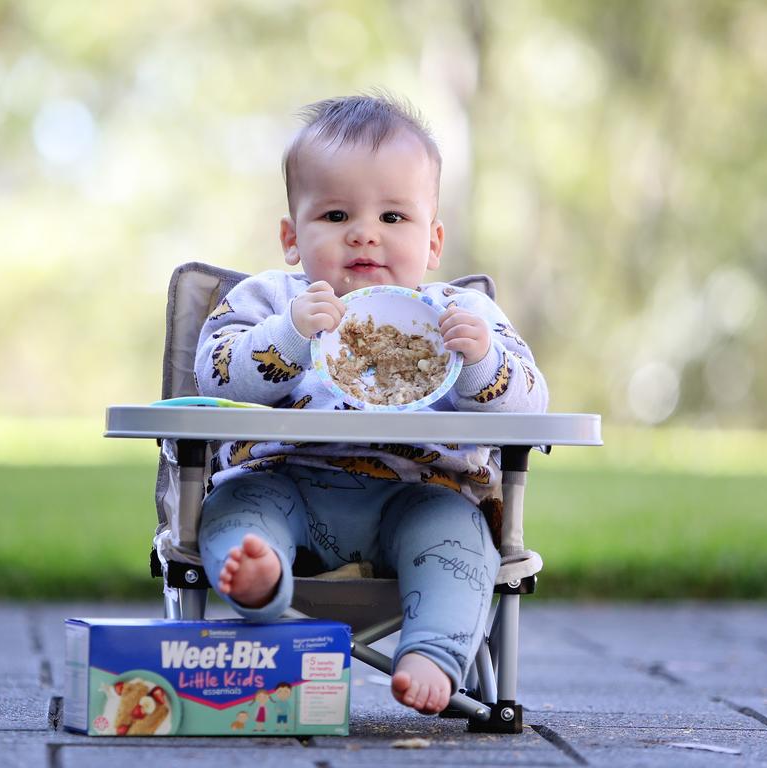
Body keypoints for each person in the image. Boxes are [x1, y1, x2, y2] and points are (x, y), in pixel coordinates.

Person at [194, 93, 548, 715]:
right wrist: (288, 338)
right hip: (285, 480)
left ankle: (432, 653)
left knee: (458, 537)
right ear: (291, 236)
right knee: (235, 507)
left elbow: (533, 402)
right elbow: (213, 375)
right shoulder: (269, 299)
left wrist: (484, 363)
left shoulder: (465, 318)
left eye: (393, 217)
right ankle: (262, 578)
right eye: (334, 214)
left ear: (433, 240)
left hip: (420, 494)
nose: (363, 232)